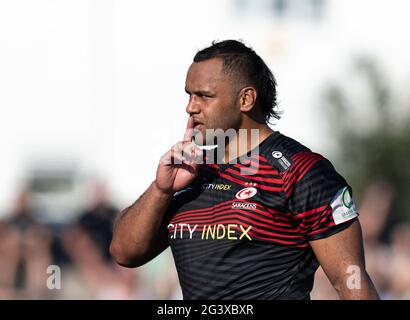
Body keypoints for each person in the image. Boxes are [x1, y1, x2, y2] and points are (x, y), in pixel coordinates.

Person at [110, 40, 379, 300]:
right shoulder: (192, 170)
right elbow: (124, 253)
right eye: (189, 95)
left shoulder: (301, 171)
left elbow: (349, 280)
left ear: (246, 99)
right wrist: (161, 190)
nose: (190, 107)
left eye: (204, 96)